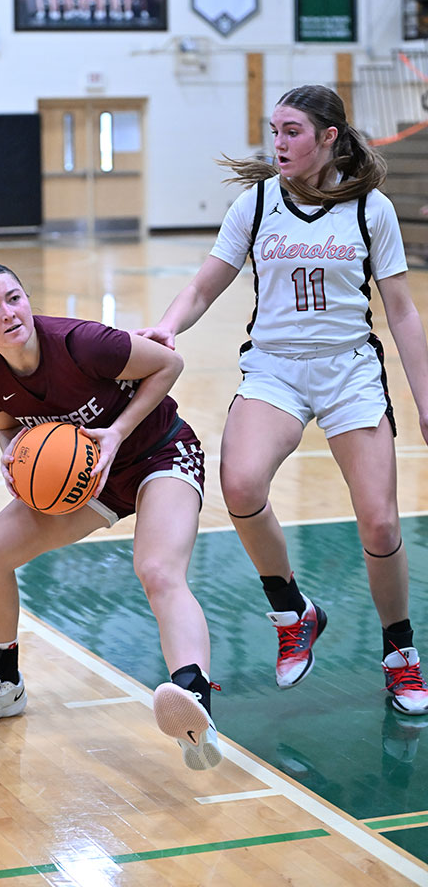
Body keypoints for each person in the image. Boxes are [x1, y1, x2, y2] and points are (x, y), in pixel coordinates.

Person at [138, 85, 428, 716]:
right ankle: (293, 610)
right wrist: (167, 326)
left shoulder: (370, 209)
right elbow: (204, 285)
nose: (279, 143)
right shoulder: (256, 203)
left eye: (292, 131)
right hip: (275, 367)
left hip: (349, 369)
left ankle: (399, 650)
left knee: (380, 523)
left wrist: (426, 400)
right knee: (240, 485)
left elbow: (403, 313)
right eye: (274, 131)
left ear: (328, 137)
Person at [0, 261, 222, 771]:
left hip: (157, 453)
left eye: (14, 298)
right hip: (85, 479)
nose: (8, 313)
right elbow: (7, 428)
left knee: (158, 569)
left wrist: (117, 432)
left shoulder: (84, 344)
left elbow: (169, 364)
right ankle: (4, 682)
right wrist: (13, 457)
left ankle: (194, 703)